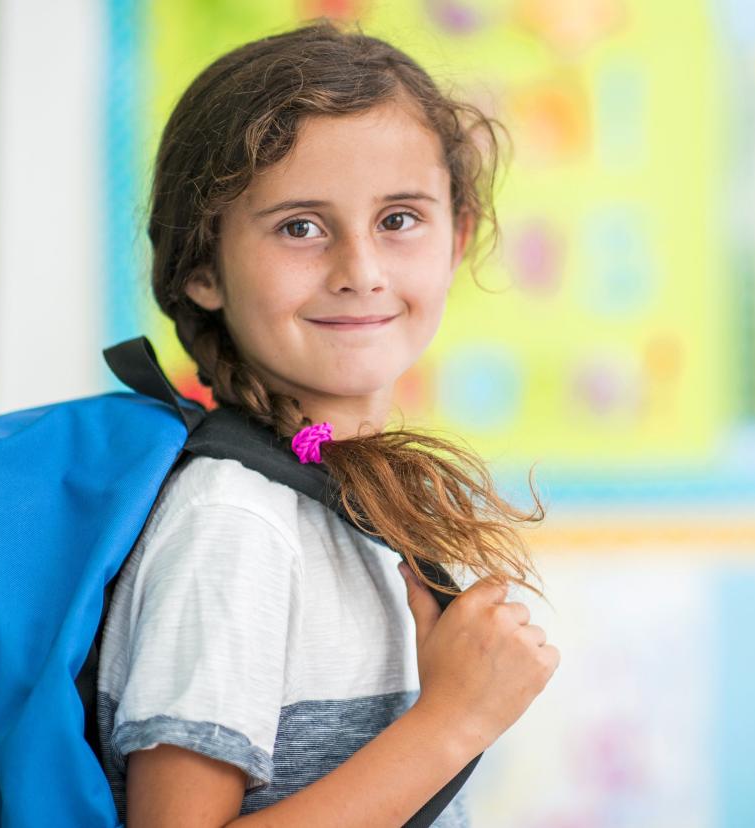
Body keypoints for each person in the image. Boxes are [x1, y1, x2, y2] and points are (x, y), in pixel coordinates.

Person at [93, 18, 561, 828]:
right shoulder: (235, 528)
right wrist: (452, 723)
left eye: (399, 219)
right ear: (202, 267)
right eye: (299, 227)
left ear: (459, 238)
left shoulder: (342, 494)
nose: (361, 272)